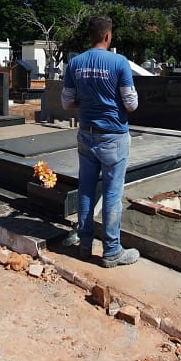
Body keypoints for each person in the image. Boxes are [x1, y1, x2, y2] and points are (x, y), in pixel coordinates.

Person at [61, 16, 141, 268]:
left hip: (86, 134)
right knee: (112, 194)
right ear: (108, 36)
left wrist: (86, 102)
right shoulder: (119, 62)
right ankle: (112, 251)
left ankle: (85, 245)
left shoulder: (75, 63)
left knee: (85, 190)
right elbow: (131, 104)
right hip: (113, 135)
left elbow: (66, 103)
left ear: (90, 36)